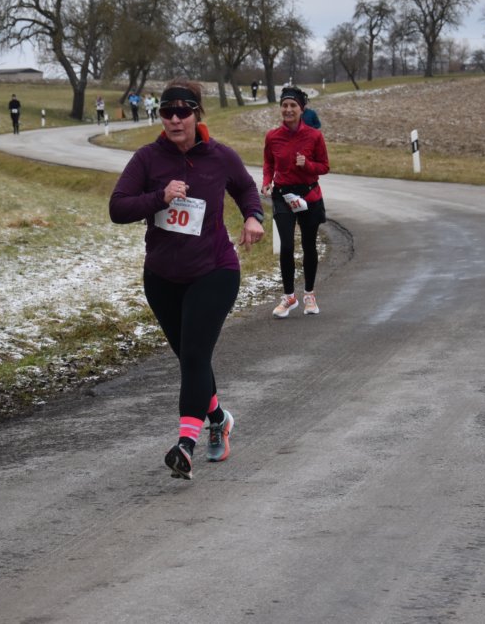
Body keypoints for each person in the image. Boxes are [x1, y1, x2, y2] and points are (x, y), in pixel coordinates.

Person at [109, 79, 264, 480]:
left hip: (214, 270)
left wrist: (253, 217)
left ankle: (185, 445)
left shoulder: (219, 156)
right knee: (191, 358)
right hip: (162, 277)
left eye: (183, 111)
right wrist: (159, 197)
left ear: (197, 115)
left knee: (194, 357)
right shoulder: (147, 159)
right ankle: (219, 418)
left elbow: (246, 189)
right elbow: (118, 208)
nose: (175, 119)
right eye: (168, 112)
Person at [261, 85, 330, 318]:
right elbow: (269, 163)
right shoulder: (273, 136)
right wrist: (267, 181)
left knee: (309, 245)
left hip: (309, 196)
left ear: (302, 109)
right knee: (287, 246)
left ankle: (309, 294)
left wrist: (307, 165)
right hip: (283, 197)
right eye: (285, 105)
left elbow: (324, 166)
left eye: (293, 105)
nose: (288, 109)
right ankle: (289, 297)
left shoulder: (314, 136)